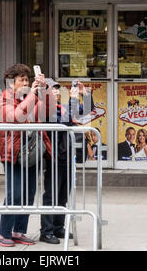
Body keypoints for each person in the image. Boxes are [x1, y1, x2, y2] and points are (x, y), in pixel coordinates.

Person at [0, 63, 54, 247]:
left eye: (28, 79)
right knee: (15, 193)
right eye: (22, 79)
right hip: (13, 152)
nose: (26, 82)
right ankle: (4, 233)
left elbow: (48, 112)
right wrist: (31, 96)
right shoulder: (2, 98)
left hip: (32, 152)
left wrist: (45, 90)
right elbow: (16, 117)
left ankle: (19, 231)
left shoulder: (32, 96)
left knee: (29, 193)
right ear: (11, 82)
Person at [40, 79, 93, 245]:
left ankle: (58, 227)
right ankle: (46, 231)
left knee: (63, 194)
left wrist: (86, 94)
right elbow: (65, 119)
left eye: (57, 89)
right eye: (52, 90)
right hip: (54, 158)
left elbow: (88, 110)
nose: (56, 92)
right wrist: (73, 99)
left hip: (68, 157)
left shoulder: (62, 107)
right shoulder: (46, 110)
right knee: (51, 195)